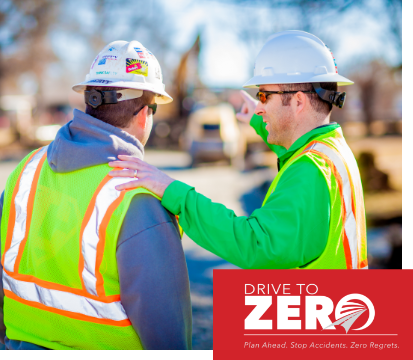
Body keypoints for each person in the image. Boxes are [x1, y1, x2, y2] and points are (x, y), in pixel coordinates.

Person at [0, 40, 192, 350]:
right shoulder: (140, 198)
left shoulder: (27, 170)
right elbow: (167, 333)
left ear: (90, 101)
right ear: (144, 114)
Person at [109, 31, 368, 270]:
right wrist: (259, 117)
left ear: (298, 101)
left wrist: (173, 192)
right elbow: (294, 148)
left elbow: (255, 244)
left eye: (265, 95)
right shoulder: (331, 149)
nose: (260, 106)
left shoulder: (310, 171)